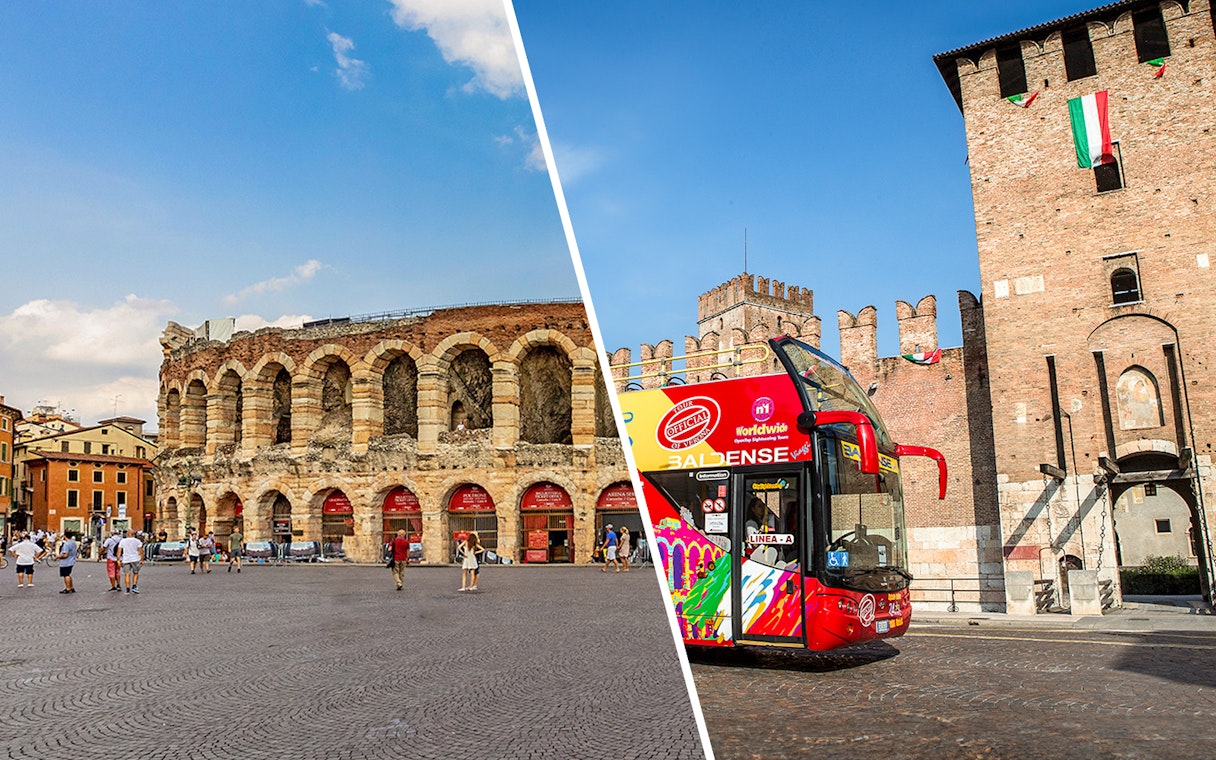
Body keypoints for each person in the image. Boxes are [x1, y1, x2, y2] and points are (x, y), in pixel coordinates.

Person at [117, 529, 144, 593]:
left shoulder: (122, 541)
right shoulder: (137, 541)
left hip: (126, 559)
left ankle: (127, 588)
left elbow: (119, 552)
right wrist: (142, 559)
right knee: (135, 573)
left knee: (127, 574)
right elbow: (141, 551)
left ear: (127, 534)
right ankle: (134, 586)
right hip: (135, 559)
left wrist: (118, 560)